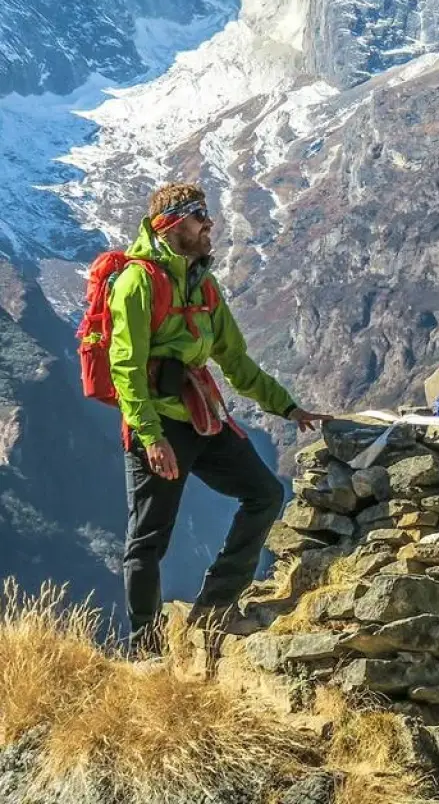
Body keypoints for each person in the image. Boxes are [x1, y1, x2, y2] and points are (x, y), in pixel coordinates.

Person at [108, 183, 331, 655]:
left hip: (201, 416)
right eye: (197, 218)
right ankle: (145, 649)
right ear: (170, 225)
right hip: (160, 426)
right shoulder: (138, 282)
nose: (209, 225)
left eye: (207, 216)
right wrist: (150, 437)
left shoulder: (203, 284)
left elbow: (235, 360)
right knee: (148, 539)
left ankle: (214, 605)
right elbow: (125, 366)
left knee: (266, 493)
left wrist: (287, 406)